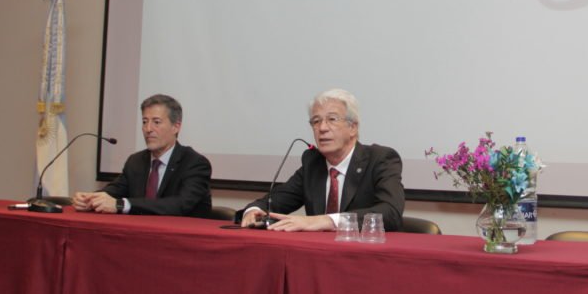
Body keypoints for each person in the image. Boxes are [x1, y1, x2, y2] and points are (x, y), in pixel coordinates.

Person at [241, 88, 404, 231]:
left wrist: (326, 221)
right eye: (316, 121)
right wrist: (254, 211)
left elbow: (390, 213)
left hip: (362, 252)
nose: (322, 128)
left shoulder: (380, 159)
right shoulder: (313, 162)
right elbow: (274, 201)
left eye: (332, 119)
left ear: (352, 127)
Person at [73, 94, 212, 218]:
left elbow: (181, 204)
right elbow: (114, 191)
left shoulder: (194, 163)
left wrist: (121, 204)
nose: (148, 129)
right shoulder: (136, 161)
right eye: (145, 122)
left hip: (181, 236)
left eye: (156, 122)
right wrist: (89, 199)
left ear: (176, 127)